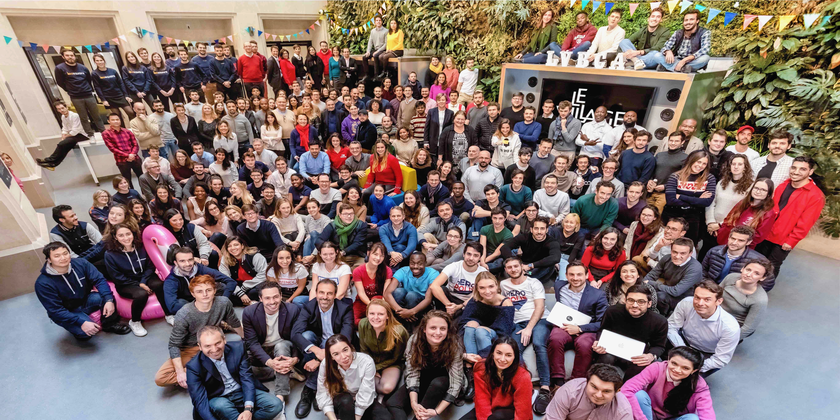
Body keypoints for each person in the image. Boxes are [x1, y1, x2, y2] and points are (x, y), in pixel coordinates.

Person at [155, 274, 242, 387]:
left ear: (214, 290)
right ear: (193, 294)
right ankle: (205, 371)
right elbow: (173, 345)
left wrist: (246, 339)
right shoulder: (184, 314)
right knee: (161, 378)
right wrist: (180, 372)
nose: (205, 294)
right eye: (199, 291)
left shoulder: (224, 303)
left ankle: (202, 373)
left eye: (208, 290)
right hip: (188, 348)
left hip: (211, 343)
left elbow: (234, 322)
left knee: (239, 358)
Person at [34, 242, 130, 340]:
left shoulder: (81, 263)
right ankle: (77, 325)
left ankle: (109, 324)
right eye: (57, 256)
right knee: (85, 335)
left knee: (107, 297)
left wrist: (109, 300)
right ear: (49, 259)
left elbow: (99, 280)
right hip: (67, 310)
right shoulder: (43, 283)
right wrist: (81, 322)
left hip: (85, 300)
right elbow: (55, 310)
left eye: (65, 253)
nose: (63, 258)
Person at [186, 325, 284, 420]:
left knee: (276, 404)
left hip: (241, 391)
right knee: (220, 405)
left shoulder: (238, 348)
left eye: (217, 343)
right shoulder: (193, 367)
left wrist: (248, 409)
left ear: (224, 340)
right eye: (208, 346)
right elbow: (200, 401)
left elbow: (247, 379)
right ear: (200, 346)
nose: (214, 349)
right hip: (219, 398)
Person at [291, 279, 355, 418]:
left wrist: (319, 360)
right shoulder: (309, 307)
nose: (325, 297)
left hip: (337, 346)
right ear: (316, 293)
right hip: (318, 344)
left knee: (329, 341)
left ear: (335, 295)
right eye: (321, 293)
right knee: (306, 335)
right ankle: (320, 386)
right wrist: (317, 351)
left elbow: (345, 339)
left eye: (329, 293)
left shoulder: (345, 308)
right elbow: (295, 333)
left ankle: (310, 389)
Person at [385, 310, 465, 420]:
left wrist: (436, 411)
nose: (438, 332)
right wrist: (413, 402)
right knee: (393, 404)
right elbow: (412, 373)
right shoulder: (414, 340)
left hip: (444, 381)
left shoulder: (454, 345)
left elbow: (456, 383)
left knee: (438, 383)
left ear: (447, 330)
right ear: (424, 329)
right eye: (433, 328)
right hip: (423, 377)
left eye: (442, 329)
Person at [497, 258, 550, 409]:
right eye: (509, 267)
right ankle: (524, 384)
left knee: (539, 344)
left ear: (522, 267)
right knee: (513, 349)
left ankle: (545, 388)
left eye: (516, 266)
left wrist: (529, 328)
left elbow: (540, 308)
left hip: (540, 320)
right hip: (518, 323)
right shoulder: (503, 284)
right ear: (506, 270)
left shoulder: (534, 282)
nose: (513, 269)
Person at [547, 262, 608, 388]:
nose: (575, 278)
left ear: (586, 276)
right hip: (563, 325)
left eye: (579, 274)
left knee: (584, 344)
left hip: (586, 330)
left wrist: (580, 328)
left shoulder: (598, 295)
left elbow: (602, 322)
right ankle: (557, 380)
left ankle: (577, 382)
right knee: (555, 338)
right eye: (572, 274)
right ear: (566, 275)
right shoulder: (559, 286)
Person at [104, 224, 172, 335]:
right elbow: (117, 277)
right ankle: (135, 321)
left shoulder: (142, 246)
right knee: (141, 294)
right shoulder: (110, 254)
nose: (126, 238)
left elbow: (150, 266)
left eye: (128, 234)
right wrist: (139, 285)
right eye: (121, 235)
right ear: (115, 237)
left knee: (159, 285)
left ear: (133, 234)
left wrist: (143, 281)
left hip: (145, 277)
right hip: (125, 283)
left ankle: (169, 314)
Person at [593, 283, 668, 381]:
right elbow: (602, 330)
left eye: (641, 302)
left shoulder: (660, 321)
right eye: (631, 300)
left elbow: (659, 346)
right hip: (612, 349)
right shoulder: (612, 311)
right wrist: (599, 341)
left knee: (642, 365)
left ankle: (625, 389)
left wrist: (651, 356)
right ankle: (597, 383)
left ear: (649, 304)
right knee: (605, 358)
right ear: (625, 300)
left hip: (637, 354)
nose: (635, 305)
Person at [242, 283, 302, 403]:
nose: (272, 302)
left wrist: (295, 358)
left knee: (281, 346)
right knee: (239, 368)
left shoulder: (293, 310)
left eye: (275, 297)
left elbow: (297, 337)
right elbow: (252, 343)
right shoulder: (249, 312)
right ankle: (285, 371)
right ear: (260, 299)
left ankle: (280, 396)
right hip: (261, 349)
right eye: (267, 298)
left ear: (281, 296)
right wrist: (270, 363)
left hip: (283, 349)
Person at [621, 346, 715, 420]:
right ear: (668, 359)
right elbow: (627, 389)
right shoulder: (657, 368)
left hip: (674, 417)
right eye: (674, 363)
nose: (677, 370)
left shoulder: (699, 385)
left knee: (692, 418)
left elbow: (707, 414)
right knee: (639, 395)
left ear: (694, 371)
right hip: (648, 412)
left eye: (685, 368)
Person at [667, 281, 739, 376]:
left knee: (685, 379)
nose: (700, 303)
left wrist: (692, 366)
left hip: (706, 354)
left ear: (719, 301)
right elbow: (671, 327)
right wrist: (683, 351)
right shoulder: (686, 303)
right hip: (682, 341)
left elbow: (720, 359)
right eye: (697, 297)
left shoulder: (730, 327)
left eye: (707, 300)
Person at [702, 154, 752, 258]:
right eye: (733, 164)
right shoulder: (722, 182)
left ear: (745, 167)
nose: (736, 167)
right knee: (705, 254)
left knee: (720, 258)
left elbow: (744, 212)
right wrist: (711, 222)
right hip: (711, 228)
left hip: (729, 229)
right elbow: (712, 202)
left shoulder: (750, 187)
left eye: (740, 164)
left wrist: (720, 225)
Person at [357, 299, 409, 397]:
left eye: (380, 314)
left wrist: (376, 368)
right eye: (372, 313)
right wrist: (371, 367)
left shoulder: (399, 332)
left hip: (391, 363)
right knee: (356, 380)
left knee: (386, 388)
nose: (375, 317)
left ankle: (374, 389)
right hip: (371, 361)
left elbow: (396, 357)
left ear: (387, 316)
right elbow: (364, 350)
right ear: (367, 314)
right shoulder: (362, 324)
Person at [543, 364, 633, 420]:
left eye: (606, 391)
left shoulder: (623, 411)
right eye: (594, 387)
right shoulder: (569, 391)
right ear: (586, 382)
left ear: (617, 391)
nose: (598, 395)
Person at [663, 150, 716, 243]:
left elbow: (707, 202)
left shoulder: (709, 178)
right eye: (698, 162)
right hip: (672, 214)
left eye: (704, 164)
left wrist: (681, 196)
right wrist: (698, 200)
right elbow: (670, 200)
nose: (700, 165)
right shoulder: (675, 176)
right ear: (691, 160)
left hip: (693, 217)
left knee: (688, 244)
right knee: (667, 242)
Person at [644, 237, 702, 315]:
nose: (677, 256)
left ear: (690, 253)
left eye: (683, 253)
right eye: (675, 252)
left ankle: (661, 317)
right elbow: (651, 275)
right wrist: (643, 287)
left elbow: (676, 291)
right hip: (667, 289)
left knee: (660, 296)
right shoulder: (666, 258)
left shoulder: (695, 268)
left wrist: (651, 284)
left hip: (684, 298)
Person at [429, 241, 487, 318]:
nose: (471, 258)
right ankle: (442, 316)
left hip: (469, 302)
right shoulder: (454, 266)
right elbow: (434, 286)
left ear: (480, 258)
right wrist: (449, 305)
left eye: (475, 255)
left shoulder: (483, 273)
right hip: (450, 299)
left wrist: (460, 306)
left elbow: (479, 295)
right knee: (442, 289)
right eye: (468, 254)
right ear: (463, 254)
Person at [702, 226, 775, 287]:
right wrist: (706, 285)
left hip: (734, 292)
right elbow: (703, 270)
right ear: (728, 238)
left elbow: (768, 283)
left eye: (740, 240)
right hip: (711, 288)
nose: (734, 243)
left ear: (748, 242)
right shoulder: (714, 251)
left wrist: (746, 292)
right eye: (733, 238)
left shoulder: (758, 260)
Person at [54, 48, 103, 136]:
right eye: (67, 55)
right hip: (76, 97)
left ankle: (104, 133)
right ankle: (90, 135)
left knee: (97, 116)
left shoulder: (83, 67)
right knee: (83, 118)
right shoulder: (59, 68)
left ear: (74, 56)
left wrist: (87, 89)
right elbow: (60, 82)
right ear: (63, 57)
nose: (70, 57)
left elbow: (88, 80)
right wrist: (70, 90)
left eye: (72, 55)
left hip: (88, 95)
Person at [719, 258, 770, 340]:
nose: (749, 274)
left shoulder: (760, 299)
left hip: (732, 325)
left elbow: (748, 328)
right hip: (716, 313)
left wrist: (728, 340)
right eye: (748, 270)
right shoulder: (731, 277)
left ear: (762, 278)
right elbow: (715, 295)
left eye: (756, 273)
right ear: (742, 269)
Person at [717, 178, 777, 248]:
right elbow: (727, 219)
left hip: (741, 248)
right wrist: (721, 232)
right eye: (756, 188)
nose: (758, 192)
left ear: (768, 194)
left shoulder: (768, 213)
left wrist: (738, 242)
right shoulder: (742, 203)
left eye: (763, 190)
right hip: (724, 241)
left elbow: (759, 237)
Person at [500, 216, 561, 284]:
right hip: (524, 265)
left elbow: (555, 257)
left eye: (542, 229)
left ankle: (522, 279)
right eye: (536, 228)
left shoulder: (552, 242)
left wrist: (531, 265)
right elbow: (504, 248)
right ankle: (523, 278)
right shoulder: (524, 237)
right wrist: (516, 263)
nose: (539, 232)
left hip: (539, 267)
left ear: (547, 230)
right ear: (531, 229)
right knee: (507, 265)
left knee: (549, 265)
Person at [37, 101, 90, 169]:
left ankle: (49, 160)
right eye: (59, 109)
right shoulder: (63, 117)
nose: (61, 110)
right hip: (74, 135)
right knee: (65, 147)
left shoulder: (74, 115)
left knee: (61, 144)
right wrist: (63, 135)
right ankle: (52, 164)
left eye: (62, 108)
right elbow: (65, 128)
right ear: (57, 110)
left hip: (82, 135)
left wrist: (66, 136)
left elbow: (75, 130)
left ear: (66, 107)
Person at [385, 252, 437, 320]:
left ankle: (413, 323)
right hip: (403, 305)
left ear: (425, 263)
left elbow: (428, 299)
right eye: (412, 263)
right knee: (398, 291)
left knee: (411, 295)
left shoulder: (433, 274)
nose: (415, 266)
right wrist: (401, 311)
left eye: (420, 263)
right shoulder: (403, 271)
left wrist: (411, 312)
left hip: (421, 305)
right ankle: (398, 320)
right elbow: (387, 293)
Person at [217, 236, 268, 306]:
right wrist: (240, 293)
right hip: (236, 286)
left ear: (242, 246)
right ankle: (249, 302)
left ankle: (242, 302)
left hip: (253, 284)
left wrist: (245, 286)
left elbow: (264, 275)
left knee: (256, 291)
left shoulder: (255, 256)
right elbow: (226, 278)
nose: (233, 248)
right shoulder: (225, 259)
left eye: (236, 245)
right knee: (222, 289)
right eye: (229, 246)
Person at [316, 203, 370, 267]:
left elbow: (357, 243)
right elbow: (319, 240)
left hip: (356, 255)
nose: (349, 216)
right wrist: (329, 250)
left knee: (359, 269)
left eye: (351, 214)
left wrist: (343, 252)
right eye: (345, 214)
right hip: (336, 256)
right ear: (340, 215)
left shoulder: (361, 225)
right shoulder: (332, 225)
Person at [647, 132, 688, 213]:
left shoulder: (685, 158)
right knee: (645, 215)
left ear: (682, 142)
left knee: (657, 216)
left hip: (666, 194)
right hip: (651, 192)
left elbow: (683, 179)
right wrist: (650, 180)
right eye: (671, 140)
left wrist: (665, 186)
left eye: (676, 141)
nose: (673, 143)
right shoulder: (660, 155)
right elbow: (652, 171)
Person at [102, 113, 143, 188]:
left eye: (117, 119)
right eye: (113, 120)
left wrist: (132, 154)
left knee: (142, 178)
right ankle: (131, 194)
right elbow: (112, 148)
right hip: (122, 161)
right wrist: (128, 156)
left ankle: (145, 193)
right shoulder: (106, 133)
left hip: (135, 158)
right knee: (127, 181)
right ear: (108, 121)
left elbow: (135, 144)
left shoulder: (127, 131)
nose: (116, 121)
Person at [92, 53, 135, 120]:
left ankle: (132, 126)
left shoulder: (113, 71)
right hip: (109, 98)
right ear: (95, 62)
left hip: (119, 95)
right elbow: (97, 87)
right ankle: (121, 127)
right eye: (97, 60)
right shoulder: (95, 73)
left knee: (130, 112)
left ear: (104, 60)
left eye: (101, 60)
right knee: (117, 116)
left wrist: (126, 95)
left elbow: (121, 83)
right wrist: (103, 100)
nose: (100, 62)